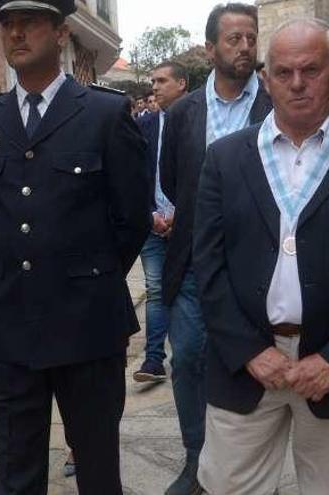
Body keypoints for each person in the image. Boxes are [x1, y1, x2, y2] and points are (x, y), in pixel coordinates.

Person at [193, 18, 329, 494]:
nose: (296, 84)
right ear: (266, 79)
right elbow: (207, 266)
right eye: (283, 71)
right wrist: (248, 350)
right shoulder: (225, 159)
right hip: (246, 367)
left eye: (311, 70)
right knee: (228, 486)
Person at [0, 0, 150, 492]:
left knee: (96, 465)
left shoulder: (106, 113)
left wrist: (89, 277)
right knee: (17, 470)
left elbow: (132, 218)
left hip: (87, 323)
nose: (16, 33)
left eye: (30, 23)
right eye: (7, 24)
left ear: (62, 33)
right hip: (11, 325)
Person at [158, 3, 273, 493]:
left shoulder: (272, 108)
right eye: (234, 39)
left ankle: (241, 463)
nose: (244, 47)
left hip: (255, 265)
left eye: (251, 38)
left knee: (247, 363)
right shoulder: (182, 113)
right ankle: (195, 458)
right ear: (210, 49)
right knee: (187, 359)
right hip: (190, 264)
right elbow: (170, 178)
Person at [133, 61, 188, 383]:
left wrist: (183, 211)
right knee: (155, 290)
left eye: (162, 80)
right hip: (152, 223)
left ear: (181, 83)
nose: (154, 86)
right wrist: (149, 213)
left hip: (190, 224)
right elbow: (133, 175)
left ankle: (189, 354)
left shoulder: (200, 120)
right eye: (152, 80)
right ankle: (154, 360)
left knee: (189, 289)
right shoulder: (144, 126)